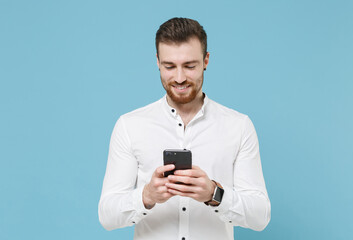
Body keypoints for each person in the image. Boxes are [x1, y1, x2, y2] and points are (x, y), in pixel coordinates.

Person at [98, 17, 271, 240]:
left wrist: (213, 194)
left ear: (206, 60)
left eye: (190, 66)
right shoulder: (129, 126)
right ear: (158, 62)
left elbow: (260, 217)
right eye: (170, 66)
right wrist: (146, 196)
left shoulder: (239, 126)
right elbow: (107, 216)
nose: (180, 78)